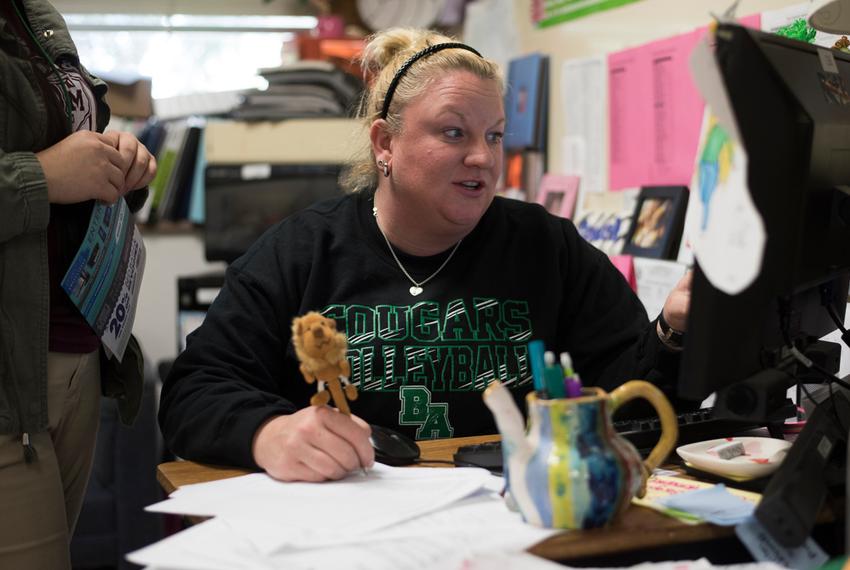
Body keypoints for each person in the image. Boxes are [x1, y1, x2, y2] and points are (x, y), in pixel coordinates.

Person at [159, 28, 691, 485]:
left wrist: (673, 331)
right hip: (346, 524)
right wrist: (266, 432)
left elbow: (633, 396)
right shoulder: (298, 252)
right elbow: (193, 393)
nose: (482, 157)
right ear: (385, 143)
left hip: (512, 519)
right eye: (453, 131)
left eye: (495, 135)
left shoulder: (547, 247)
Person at [0, 1, 157, 567]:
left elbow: (59, 141)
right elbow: (43, 169)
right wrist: (41, 176)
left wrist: (113, 159)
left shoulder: (34, 12)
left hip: (75, 351)